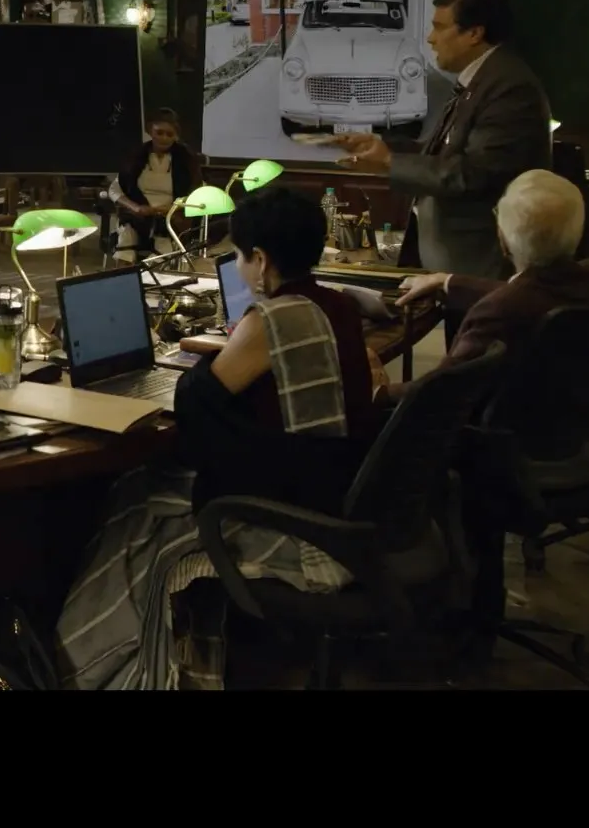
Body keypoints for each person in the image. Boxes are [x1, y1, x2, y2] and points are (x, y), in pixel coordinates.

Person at [56, 186, 385, 691]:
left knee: (134, 501)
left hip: (295, 520)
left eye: (239, 256)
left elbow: (196, 402)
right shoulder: (337, 305)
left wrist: (209, 363)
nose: (239, 265)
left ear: (261, 260)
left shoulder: (274, 318)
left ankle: (89, 667)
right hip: (340, 495)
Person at [331, 0, 551, 279]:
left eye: (439, 27)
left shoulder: (509, 87)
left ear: (474, 33)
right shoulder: (482, 79)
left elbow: (472, 173)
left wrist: (390, 162)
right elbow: (444, 152)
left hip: (478, 268)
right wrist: (382, 145)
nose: (430, 39)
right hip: (454, 266)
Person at [382, 169, 589, 404]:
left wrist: (378, 391)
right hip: (581, 418)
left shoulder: (495, 313)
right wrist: (447, 281)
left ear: (503, 239)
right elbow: (533, 293)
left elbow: (437, 393)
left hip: (498, 427)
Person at [108, 110, 198, 261]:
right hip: (138, 215)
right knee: (126, 240)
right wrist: (136, 207)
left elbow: (196, 193)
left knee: (162, 250)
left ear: (175, 136)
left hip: (171, 217)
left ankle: (154, 270)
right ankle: (126, 270)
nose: (164, 138)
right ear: (150, 131)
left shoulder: (186, 159)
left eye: (169, 134)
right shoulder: (136, 157)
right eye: (159, 132)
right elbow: (114, 190)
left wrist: (172, 208)